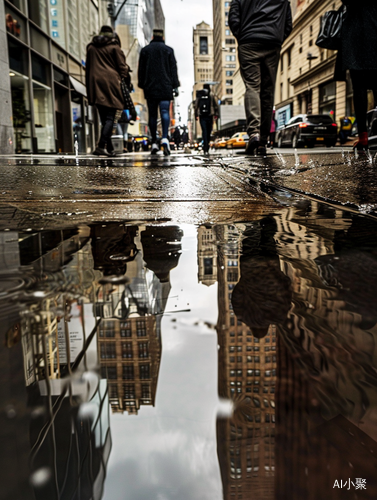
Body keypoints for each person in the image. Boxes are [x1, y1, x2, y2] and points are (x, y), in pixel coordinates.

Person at [229, 0, 292, 156]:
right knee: (268, 91)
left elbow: (233, 19)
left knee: (252, 86)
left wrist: (243, 36)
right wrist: (276, 37)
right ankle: (262, 141)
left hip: (248, 41)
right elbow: (288, 24)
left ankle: (254, 134)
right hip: (273, 42)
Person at [335, 0, 377, 151]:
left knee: (359, 87)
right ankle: (365, 137)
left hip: (356, 36)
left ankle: (363, 138)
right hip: (373, 29)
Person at [86, 25, 131, 157]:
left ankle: (109, 147)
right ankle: (101, 146)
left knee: (104, 118)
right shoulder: (114, 47)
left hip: (95, 83)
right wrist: (124, 75)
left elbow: (88, 67)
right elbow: (123, 68)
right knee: (111, 117)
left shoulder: (91, 48)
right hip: (111, 83)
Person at [138, 29, 180, 156]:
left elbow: (141, 70)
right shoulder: (168, 50)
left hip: (150, 87)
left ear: (152, 36)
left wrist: (142, 84)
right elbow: (173, 69)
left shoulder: (145, 51)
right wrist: (175, 86)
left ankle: (154, 143)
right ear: (162, 37)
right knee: (165, 112)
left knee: (152, 115)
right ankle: (165, 139)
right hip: (165, 87)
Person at [195, 84, 220, 154]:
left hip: (202, 116)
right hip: (209, 115)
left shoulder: (199, 94)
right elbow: (216, 105)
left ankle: (205, 147)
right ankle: (206, 146)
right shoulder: (211, 94)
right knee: (208, 131)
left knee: (204, 131)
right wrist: (216, 114)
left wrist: (196, 115)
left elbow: (196, 105)